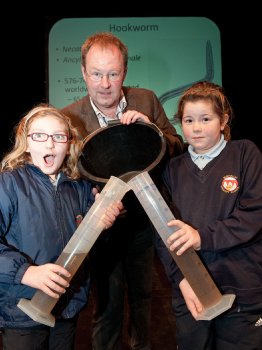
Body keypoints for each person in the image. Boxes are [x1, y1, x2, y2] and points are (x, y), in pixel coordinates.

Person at [61, 32, 184, 350]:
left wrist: (152, 131)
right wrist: (91, 198)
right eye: (97, 74)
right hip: (103, 229)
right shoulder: (70, 117)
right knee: (107, 306)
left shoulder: (147, 100)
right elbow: (66, 175)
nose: (104, 84)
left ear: (124, 73)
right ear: (84, 74)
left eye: (113, 74)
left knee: (144, 298)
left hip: (145, 223)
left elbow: (176, 146)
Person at [0, 104, 123, 350]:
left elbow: (90, 244)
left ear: (69, 144)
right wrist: (26, 272)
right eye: (39, 136)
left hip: (66, 307)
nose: (49, 145)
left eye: (58, 137)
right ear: (26, 141)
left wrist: (103, 224)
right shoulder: (10, 183)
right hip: (21, 311)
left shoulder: (79, 187)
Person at [159, 81, 262, 350]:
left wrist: (200, 237)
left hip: (241, 289)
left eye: (206, 119)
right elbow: (163, 232)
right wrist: (181, 279)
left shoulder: (244, 154)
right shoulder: (173, 169)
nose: (196, 127)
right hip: (192, 292)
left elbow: (253, 215)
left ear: (223, 119)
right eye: (188, 120)